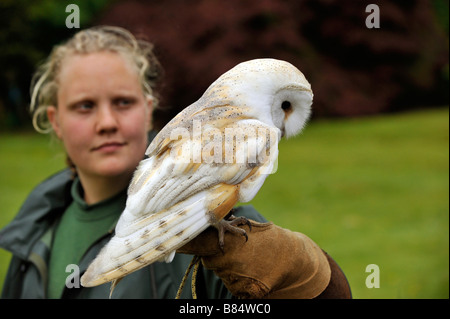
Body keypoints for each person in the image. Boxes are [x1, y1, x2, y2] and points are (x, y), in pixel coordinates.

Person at [0, 26, 351, 299]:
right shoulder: (32, 231)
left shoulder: (228, 229)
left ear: (150, 108)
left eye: (123, 102)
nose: (106, 122)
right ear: (55, 120)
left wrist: (310, 279)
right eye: (84, 106)